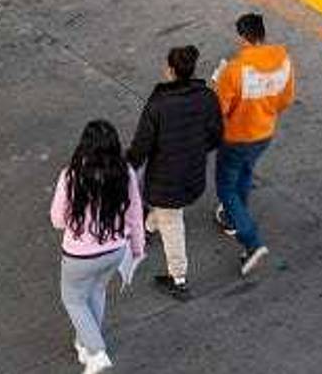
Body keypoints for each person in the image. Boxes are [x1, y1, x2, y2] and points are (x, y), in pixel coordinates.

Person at [126, 45, 223, 300]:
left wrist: (127, 166)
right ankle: (146, 229)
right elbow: (216, 135)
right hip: (192, 173)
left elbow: (141, 145)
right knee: (166, 210)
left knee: (171, 221)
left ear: (170, 70)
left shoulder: (158, 104)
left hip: (166, 178)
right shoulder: (207, 97)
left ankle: (178, 278)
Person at [50, 120, 145, 374]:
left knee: (73, 299)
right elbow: (135, 214)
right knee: (97, 293)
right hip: (115, 250)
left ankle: (96, 350)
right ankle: (84, 343)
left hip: (78, 255)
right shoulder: (126, 172)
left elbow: (58, 220)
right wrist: (137, 248)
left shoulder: (71, 176)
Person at [212, 13, 295, 275]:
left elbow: (220, 109)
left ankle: (250, 239)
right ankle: (238, 214)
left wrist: (217, 83)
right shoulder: (283, 60)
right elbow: (286, 99)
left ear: (241, 37)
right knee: (245, 173)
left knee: (226, 188)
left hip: (237, 137)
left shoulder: (235, 70)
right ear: (262, 33)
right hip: (264, 133)